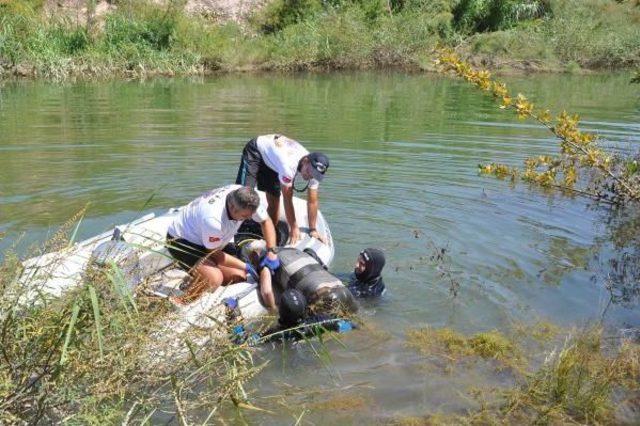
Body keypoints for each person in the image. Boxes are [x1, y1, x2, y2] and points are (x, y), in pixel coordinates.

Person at [165, 185, 280, 308]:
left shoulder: (247, 198)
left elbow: (265, 221)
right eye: (245, 217)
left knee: (239, 276)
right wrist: (246, 266)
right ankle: (182, 300)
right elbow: (213, 253)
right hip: (182, 240)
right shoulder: (214, 219)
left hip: (211, 240)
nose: (248, 219)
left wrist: (272, 251)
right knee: (215, 279)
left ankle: (195, 278)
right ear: (232, 207)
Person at [235, 134, 330, 245]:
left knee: (274, 200)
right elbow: (287, 198)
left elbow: (312, 201)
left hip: (274, 161)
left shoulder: (315, 172)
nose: (310, 176)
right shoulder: (289, 166)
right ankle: (233, 235)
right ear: (305, 161)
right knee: (242, 197)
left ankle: (267, 237)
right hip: (256, 150)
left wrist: (313, 229)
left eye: (314, 175)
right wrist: (294, 227)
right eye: (309, 172)